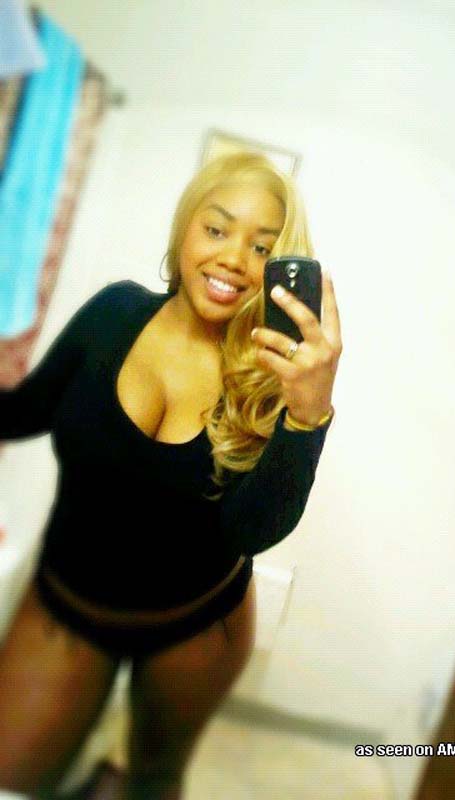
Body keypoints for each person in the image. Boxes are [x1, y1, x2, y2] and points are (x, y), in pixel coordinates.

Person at [0, 150, 342, 800]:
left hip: (196, 625)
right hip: (67, 609)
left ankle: (115, 780)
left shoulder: (269, 374)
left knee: (154, 781)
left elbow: (250, 530)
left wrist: (307, 416)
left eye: (262, 247)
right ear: (185, 228)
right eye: (217, 229)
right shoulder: (113, 313)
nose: (233, 258)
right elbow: (23, 412)